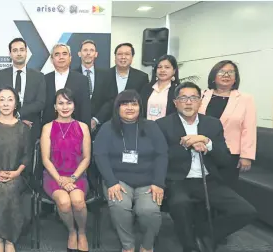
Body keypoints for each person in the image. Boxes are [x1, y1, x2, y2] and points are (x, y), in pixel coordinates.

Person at [156, 82, 256, 252]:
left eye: (193, 98)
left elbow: (224, 159)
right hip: (178, 180)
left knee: (246, 211)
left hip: (208, 179)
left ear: (200, 101)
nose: (188, 102)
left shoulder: (212, 124)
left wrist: (207, 143)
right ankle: (189, 245)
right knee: (181, 204)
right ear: (175, 102)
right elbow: (159, 157)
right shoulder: (162, 125)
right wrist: (188, 143)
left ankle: (204, 233)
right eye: (183, 98)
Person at [94, 90, 168, 252]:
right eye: (124, 104)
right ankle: (127, 245)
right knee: (119, 205)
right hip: (118, 179)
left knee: (149, 211)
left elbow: (162, 155)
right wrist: (111, 182)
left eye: (134, 104)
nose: (129, 108)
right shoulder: (107, 128)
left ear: (140, 107)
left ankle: (147, 246)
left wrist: (158, 183)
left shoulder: (151, 127)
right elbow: (100, 155)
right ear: (117, 107)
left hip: (148, 180)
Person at [0, 87, 32, 252]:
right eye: (2, 99)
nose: (6, 103)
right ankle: (0, 238)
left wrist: (16, 173)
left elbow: (27, 156)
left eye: (10, 99)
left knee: (8, 187)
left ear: (16, 103)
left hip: (18, 175)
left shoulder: (23, 128)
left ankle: (6, 239)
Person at [40, 88, 92, 252]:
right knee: (63, 202)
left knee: (77, 201)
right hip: (53, 176)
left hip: (78, 176)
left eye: (68, 103)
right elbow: (45, 160)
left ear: (74, 106)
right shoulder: (47, 128)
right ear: (55, 106)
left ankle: (82, 232)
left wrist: (73, 178)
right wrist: (60, 179)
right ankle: (71, 231)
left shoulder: (83, 127)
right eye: (60, 103)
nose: (65, 107)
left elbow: (86, 158)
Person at [198, 60, 256, 187]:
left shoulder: (245, 99)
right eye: (222, 72)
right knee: (203, 189)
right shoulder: (201, 95)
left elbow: (249, 129)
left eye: (231, 72)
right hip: (202, 150)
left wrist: (246, 156)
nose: (226, 75)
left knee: (226, 190)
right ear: (213, 76)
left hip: (230, 154)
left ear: (235, 78)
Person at [0, 38, 46, 140]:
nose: (19, 53)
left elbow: (40, 103)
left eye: (21, 50)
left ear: (26, 52)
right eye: (15, 50)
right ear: (10, 54)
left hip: (30, 126)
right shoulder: (0, 75)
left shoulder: (38, 76)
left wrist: (19, 115)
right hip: (4, 127)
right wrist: (13, 119)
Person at [42, 43, 92, 127]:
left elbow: (85, 109)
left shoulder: (82, 80)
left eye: (64, 54)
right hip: (49, 129)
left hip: (75, 129)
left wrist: (85, 132)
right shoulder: (44, 79)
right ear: (51, 59)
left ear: (70, 58)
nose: (61, 57)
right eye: (57, 54)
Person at [75, 39, 113, 133]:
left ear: (96, 54)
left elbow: (110, 100)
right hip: (76, 125)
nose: (88, 53)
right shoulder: (72, 74)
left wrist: (96, 120)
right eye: (85, 50)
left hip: (100, 126)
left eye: (91, 50)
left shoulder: (106, 75)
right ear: (79, 53)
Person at [140, 55, 180, 120]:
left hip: (167, 128)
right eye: (159, 67)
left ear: (174, 71)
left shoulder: (178, 90)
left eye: (167, 67)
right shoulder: (146, 88)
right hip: (147, 127)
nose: (162, 70)